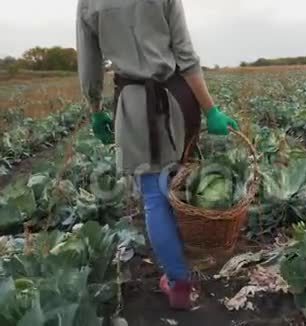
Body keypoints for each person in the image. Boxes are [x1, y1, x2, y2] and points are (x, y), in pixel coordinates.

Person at [76, 0, 239, 310]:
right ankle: (194, 257)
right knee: (180, 187)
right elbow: (186, 56)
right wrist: (211, 110)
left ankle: (178, 284)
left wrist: (95, 110)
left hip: (132, 105)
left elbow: (89, 62)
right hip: (175, 100)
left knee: (153, 197)